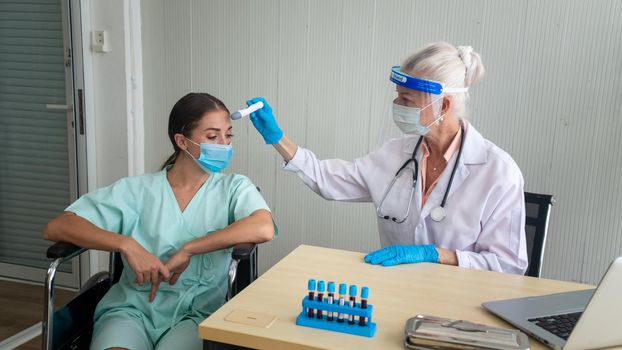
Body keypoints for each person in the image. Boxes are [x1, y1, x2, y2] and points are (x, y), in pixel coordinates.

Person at [246, 42, 527, 274]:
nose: (397, 106)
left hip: (462, 302)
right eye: (397, 97)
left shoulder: (498, 171)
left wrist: (437, 255)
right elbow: (328, 181)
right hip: (398, 289)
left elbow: (508, 266)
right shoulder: (396, 154)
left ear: (443, 104)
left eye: (407, 100)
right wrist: (277, 138)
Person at [43, 92, 276, 350]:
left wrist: (190, 247)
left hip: (196, 315)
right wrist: (126, 245)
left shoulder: (234, 187)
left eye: (228, 135)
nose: (224, 144)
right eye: (212, 136)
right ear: (182, 141)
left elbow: (262, 227)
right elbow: (58, 226)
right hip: (130, 310)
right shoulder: (137, 190)